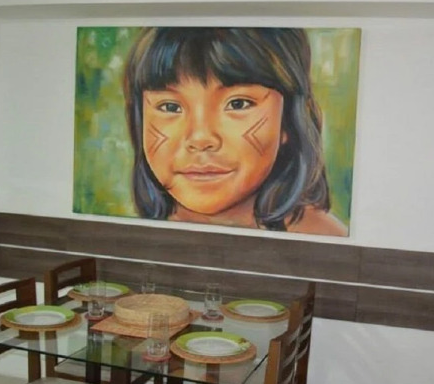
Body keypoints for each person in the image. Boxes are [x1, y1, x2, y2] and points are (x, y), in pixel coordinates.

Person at [123, 27, 348, 236]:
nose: (201, 138)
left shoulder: (323, 238)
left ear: (288, 120)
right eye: (170, 107)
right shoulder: (134, 237)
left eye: (238, 104)